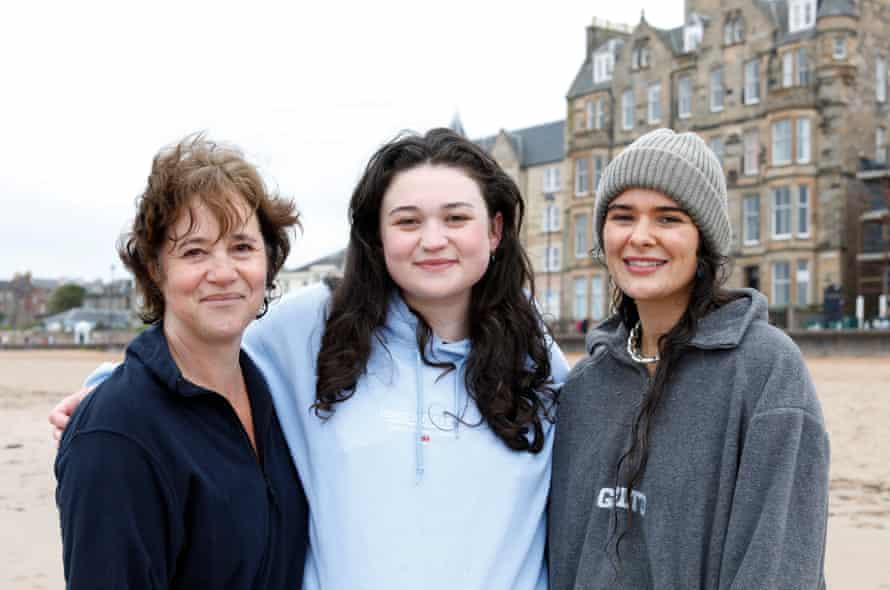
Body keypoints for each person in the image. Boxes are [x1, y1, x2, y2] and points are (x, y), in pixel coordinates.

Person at [51, 128, 569, 590]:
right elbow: (197, 359)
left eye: (457, 218)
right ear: (378, 235)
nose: (433, 240)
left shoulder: (534, 352)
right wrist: (104, 389)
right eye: (407, 221)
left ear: (495, 231)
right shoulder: (313, 327)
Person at [547, 128, 830, 589]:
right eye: (623, 216)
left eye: (668, 219)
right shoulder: (584, 387)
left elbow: (779, 566)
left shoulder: (765, 370)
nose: (640, 237)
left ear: (704, 241)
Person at [54, 135, 308, 589]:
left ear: (269, 262)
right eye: (194, 251)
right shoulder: (117, 433)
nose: (223, 272)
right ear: (155, 268)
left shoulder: (277, 395)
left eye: (242, 247)